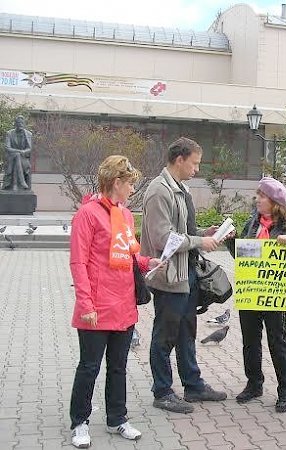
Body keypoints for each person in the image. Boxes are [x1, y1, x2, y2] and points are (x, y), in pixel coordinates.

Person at [69, 155, 162, 449]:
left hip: (123, 305)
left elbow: (129, 256)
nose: (132, 190)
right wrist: (86, 305)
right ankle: (80, 422)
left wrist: (148, 262)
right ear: (117, 183)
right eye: (130, 184)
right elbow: (78, 262)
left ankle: (117, 418)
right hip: (96, 305)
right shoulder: (87, 214)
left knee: (119, 367)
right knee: (89, 366)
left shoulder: (125, 214)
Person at [141, 137, 226, 414]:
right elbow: (163, 237)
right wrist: (199, 242)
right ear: (179, 160)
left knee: (187, 331)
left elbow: (184, 230)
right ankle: (162, 391)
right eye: (194, 163)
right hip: (168, 275)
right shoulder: (159, 190)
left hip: (186, 272)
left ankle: (193, 385)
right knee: (165, 334)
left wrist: (206, 233)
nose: (196, 169)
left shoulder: (181, 189)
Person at [225, 176, 286, 413]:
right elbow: (242, 257)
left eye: (261, 195)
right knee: (250, 341)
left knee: (277, 342)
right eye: (258, 195)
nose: (257, 199)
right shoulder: (253, 223)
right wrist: (232, 243)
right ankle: (254, 383)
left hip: (276, 295)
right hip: (251, 292)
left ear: (274, 201)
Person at [3, 115, 32, 190]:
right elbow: (7, 147)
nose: (20, 124)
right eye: (18, 123)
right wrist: (19, 151)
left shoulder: (28, 134)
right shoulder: (9, 133)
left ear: (24, 124)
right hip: (11, 158)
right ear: (15, 123)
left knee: (18, 156)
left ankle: (15, 185)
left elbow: (29, 148)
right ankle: (22, 181)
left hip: (24, 159)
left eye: (22, 123)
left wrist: (24, 152)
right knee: (17, 155)